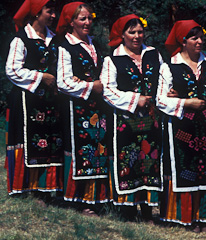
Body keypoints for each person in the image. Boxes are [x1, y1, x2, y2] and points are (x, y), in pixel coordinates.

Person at [157, 20, 206, 230]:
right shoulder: (170, 66)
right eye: (194, 38)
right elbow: (160, 100)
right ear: (183, 41)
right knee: (185, 167)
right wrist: (185, 103)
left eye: (201, 38)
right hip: (182, 129)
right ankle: (185, 217)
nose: (199, 42)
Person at [100, 14, 163, 219]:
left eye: (140, 32)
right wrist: (135, 100)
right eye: (131, 32)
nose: (137, 36)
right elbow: (108, 90)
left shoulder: (153, 54)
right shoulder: (113, 59)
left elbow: (163, 79)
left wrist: (168, 93)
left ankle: (147, 209)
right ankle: (127, 208)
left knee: (149, 160)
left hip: (151, 121)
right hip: (126, 122)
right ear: (122, 35)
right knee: (129, 160)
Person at [55, 2, 114, 213]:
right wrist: (90, 86)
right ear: (71, 22)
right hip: (76, 107)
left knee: (98, 148)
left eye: (90, 18)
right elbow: (63, 82)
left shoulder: (94, 44)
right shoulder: (65, 47)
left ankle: (96, 197)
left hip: (97, 107)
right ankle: (77, 198)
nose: (87, 22)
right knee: (81, 149)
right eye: (82, 19)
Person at [6, 0, 64, 197]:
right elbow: (12, 70)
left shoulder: (54, 40)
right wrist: (40, 77)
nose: (54, 16)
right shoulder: (21, 39)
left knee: (50, 141)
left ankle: (46, 188)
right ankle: (27, 186)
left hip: (50, 101)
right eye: (49, 11)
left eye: (54, 11)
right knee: (31, 140)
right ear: (37, 13)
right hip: (27, 99)